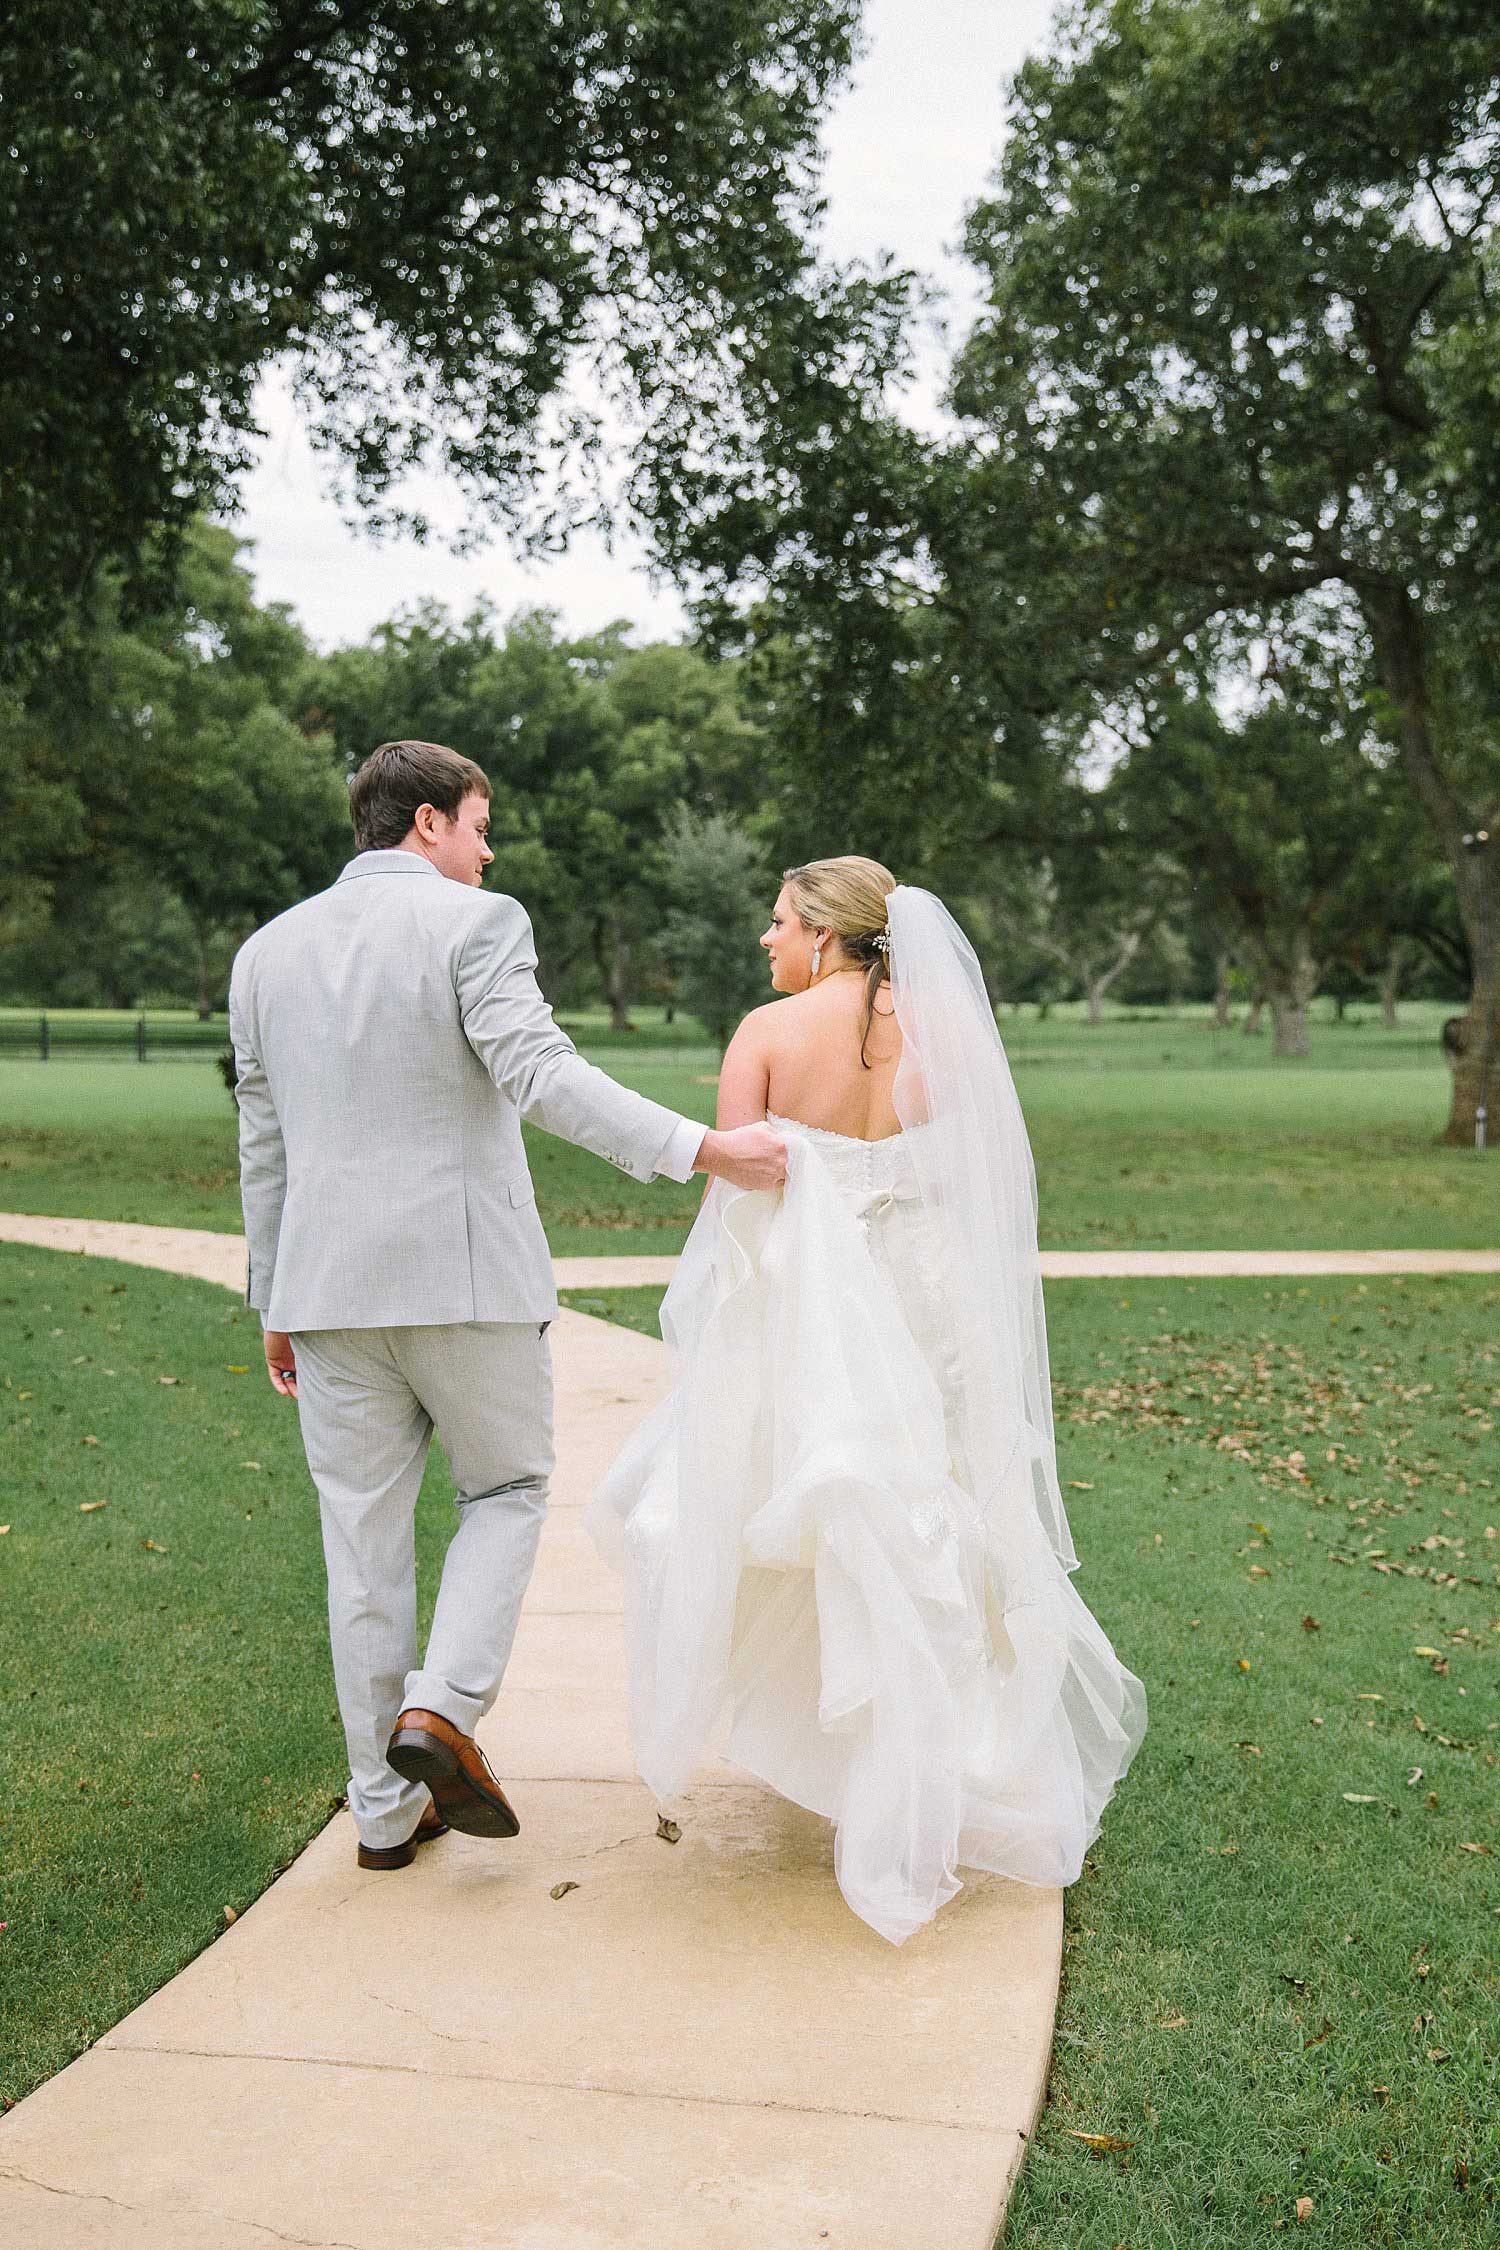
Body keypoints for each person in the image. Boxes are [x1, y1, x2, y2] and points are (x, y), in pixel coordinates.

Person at [229, 739, 786, 1872]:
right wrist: (702, 1148)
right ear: (427, 823)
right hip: (468, 1281)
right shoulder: (476, 924)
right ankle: (442, 1709)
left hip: (326, 1298)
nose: (487, 854)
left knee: (361, 1550)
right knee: (511, 1487)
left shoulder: (262, 954)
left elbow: (264, 1138)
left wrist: (271, 1296)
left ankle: (384, 1817)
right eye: (479, 828)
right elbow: (539, 1071)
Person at [587, 856, 1146, 1943]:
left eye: (781, 920)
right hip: (927, 1316)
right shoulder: (938, 1040)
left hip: (805, 1320)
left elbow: (733, 1193)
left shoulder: (762, 1034)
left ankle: (847, 1753)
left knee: (808, 1519)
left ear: (827, 935)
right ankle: (930, 1758)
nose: (766, 938)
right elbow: (966, 1173)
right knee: (933, 1521)